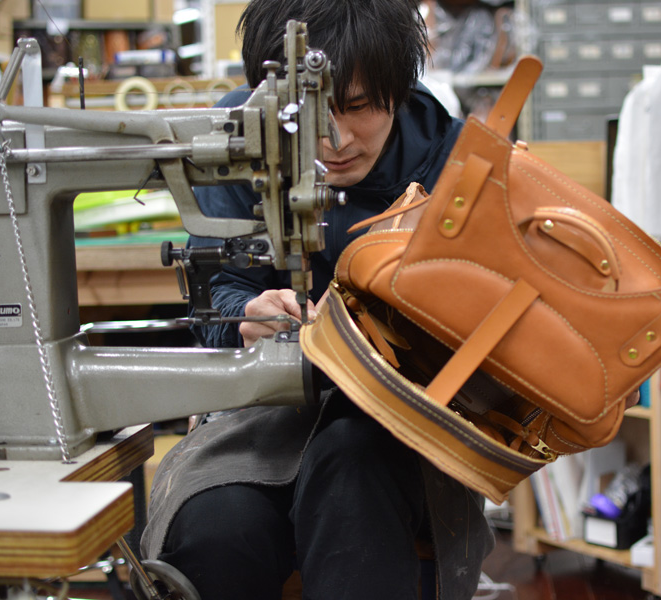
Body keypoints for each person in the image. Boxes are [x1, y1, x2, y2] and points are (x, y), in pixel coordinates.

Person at [140, 1, 494, 599]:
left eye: (359, 107)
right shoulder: (235, 139)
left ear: (399, 87)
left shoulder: (456, 164)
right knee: (217, 535)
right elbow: (220, 290)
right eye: (306, 115)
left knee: (353, 478)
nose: (335, 139)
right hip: (261, 411)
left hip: (395, 419)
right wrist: (244, 319)